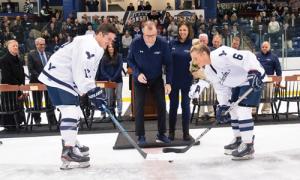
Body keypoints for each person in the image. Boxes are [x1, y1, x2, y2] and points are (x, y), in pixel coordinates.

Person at [38, 24, 117, 169]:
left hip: (58, 77)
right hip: (61, 77)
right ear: (99, 34)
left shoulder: (93, 44)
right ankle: (68, 149)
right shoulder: (89, 45)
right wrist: (92, 91)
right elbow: (82, 70)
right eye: (108, 38)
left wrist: (91, 90)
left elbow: (88, 72)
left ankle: (72, 144)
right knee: (71, 111)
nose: (110, 42)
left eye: (112, 40)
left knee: (73, 111)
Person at [190, 43, 265, 160]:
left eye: (195, 58)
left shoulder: (221, 53)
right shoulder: (209, 71)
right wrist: (223, 105)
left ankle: (248, 145)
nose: (194, 62)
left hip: (252, 77)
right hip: (238, 83)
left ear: (204, 53)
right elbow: (221, 89)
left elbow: (247, 56)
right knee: (232, 109)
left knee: (243, 110)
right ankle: (239, 139)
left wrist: (254, 72)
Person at [127, 21, 173, 145]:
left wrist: (168, 82)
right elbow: (130, 61)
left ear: (156, 32)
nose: (150, 38)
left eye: (153, 35)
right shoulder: (136, 43)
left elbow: (169, 64)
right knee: (139, 106)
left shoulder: (162, 43)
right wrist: (137, 73)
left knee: (162, 105)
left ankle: (161, 134)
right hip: (140, 79)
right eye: (147, 35)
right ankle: (140, 135)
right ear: (142, 32)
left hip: (156, 78)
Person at [168, 22, 193, 141]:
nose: (183, 32)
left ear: (189, 31)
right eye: (181, 30)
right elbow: (167, 62)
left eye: (185, 30)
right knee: (173, 106)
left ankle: (186, 133)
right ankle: (171, 132)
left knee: (186, 106)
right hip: (173, 80)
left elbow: (197, 63)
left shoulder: (192, 44)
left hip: (187, 80)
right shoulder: (172, 43)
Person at [27, 37, 57, 126]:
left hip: (48, 82)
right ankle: (37, 120)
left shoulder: (49, 54)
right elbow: (31, 69)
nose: (43, 46)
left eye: (44, 44)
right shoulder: (31, 55)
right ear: (36, 45)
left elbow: (53, 67)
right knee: (37, 102)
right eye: (40, 44)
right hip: (36, 82)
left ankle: (52, 120)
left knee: (49, 102)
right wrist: (41, 77)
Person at [0, 40, 26, 130]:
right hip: (9, 88)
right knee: (10, 105)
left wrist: (22, 83)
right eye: (13, 46)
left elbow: (22, 72)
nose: (16, 47)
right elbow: (7, 76)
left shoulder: (18, 58)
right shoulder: (4, 59)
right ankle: (10, 125)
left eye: (17, 46)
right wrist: (18, 84)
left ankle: (18, 123)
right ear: (9, 48)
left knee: (19, 105)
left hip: (18, 86)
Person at [256, 41, 281, 114]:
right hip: (258, 79)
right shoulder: (257, 56)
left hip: (269, 79)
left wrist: (278, 81)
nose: (264, 48)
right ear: (261, 48)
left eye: (266, 47)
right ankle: (254, 110)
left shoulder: (274, 57)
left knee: (268, 96)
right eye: (263, 47)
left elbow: (278, 69)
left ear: (269, 48)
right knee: (255, 95)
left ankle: (265, 110)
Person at [100, 43, 123, 119]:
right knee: (109, 97)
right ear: (107, 49)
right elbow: (102, 70)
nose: (111, 48)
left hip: (118, 80)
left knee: (119, 96)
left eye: (112, 47)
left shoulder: (119, 56)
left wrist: (114, 78)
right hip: (108, 81)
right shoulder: (104, 58)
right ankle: (111, 114)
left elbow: (120, 68)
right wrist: (109, 78)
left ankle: (119, 113)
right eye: (109, 47)